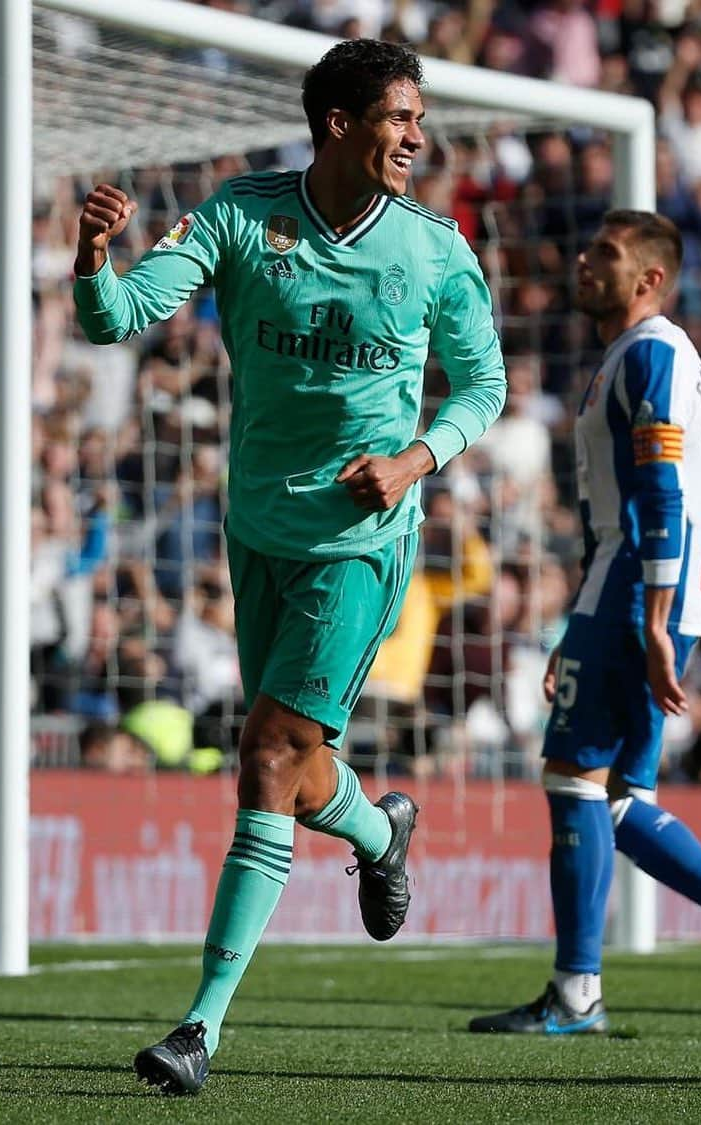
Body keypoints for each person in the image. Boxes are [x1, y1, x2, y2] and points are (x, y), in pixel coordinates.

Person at [73, 39, 506, 1094]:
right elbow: (116, 320)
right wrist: (92, 259)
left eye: (418, 118)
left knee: (264, 757)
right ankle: (376, 824)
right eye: (400, 117)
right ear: (339, 124)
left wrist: (413, 459)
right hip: (258, 532)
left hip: (360, 548)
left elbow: (482, 385)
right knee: (300, 770)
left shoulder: (433, 249)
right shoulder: (239, 215)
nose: (416, 136)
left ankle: (198, 1028)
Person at [468, 211, 701, 1038]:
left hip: (638, 591)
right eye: (586, 248)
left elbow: (662, 496)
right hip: (630, 590)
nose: (585, 261)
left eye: (607, 255)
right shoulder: (642, 355)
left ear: (650, 278)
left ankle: (577, 992)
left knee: (573, 777)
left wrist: (650, 618)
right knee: (621, 797)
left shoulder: (652, 353)